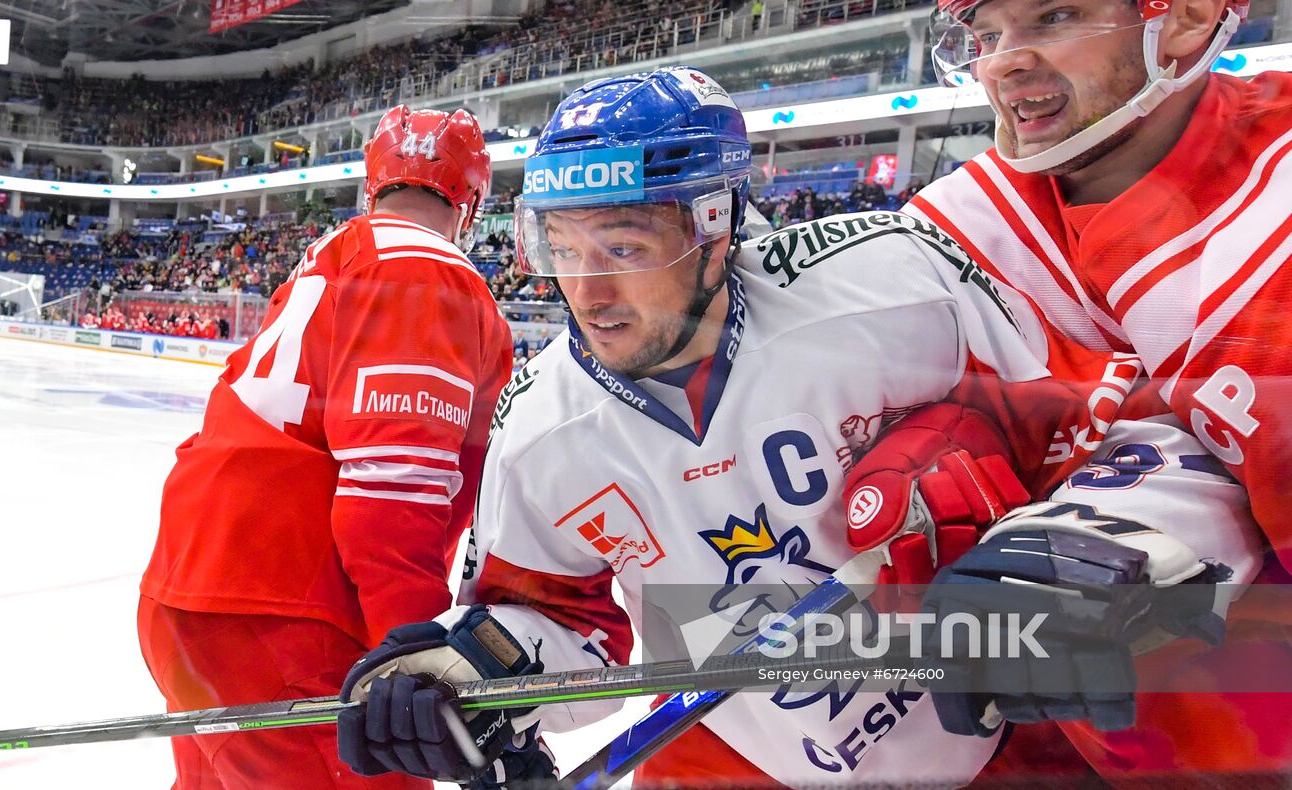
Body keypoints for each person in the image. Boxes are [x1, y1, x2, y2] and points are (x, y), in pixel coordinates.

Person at [330, 67, 1261, 787]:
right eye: (560, 248)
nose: (589, 294)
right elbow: (555, 620)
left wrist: (1101, 529)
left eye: (625, 246)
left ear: (718, 222)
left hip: (1012, 731)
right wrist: (474, 669)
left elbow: (1127, 426)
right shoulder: (539, 428)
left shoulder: (895, 289)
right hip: (736, 757)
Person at [901, 0, 1292, 777]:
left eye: (1055, 17)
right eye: (987, 35)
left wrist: (1153, 516)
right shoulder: (956, 227)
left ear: (1184, 19)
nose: (1001, 62)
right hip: (1065, 741)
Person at [137, 106, 512, 789]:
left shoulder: (333, 254)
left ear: (375, 184)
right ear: (472, 199)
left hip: (190, 596)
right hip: (289, 620)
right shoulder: (427, 269)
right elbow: (390, 497)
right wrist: (421, 664)